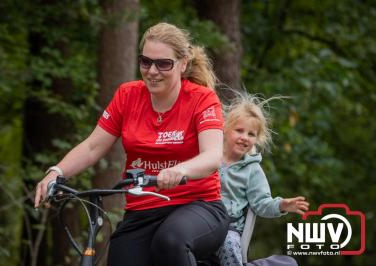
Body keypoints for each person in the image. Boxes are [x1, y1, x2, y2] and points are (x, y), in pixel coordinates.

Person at [34, 22, 229, 266]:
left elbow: (212, 157)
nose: (152, 71)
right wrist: (57, 172)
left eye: (163, 63)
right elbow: (93, 146)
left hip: (199, 206)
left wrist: (180, 171)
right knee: (120, 257)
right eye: (145, 62)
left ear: (183, 65)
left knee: (170, 241)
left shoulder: (202, 99)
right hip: (143, 210)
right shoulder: (128, 96)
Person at [217, 94, 309, 266]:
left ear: (257, 139)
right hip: (200, 220)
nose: (245, 137)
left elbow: (262, 203)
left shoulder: (252, 170)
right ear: (225, 128)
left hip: (228, 228)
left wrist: (282, 205)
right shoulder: (209, 156)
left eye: (251, 134)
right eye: (239, 130)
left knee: (228, 244)